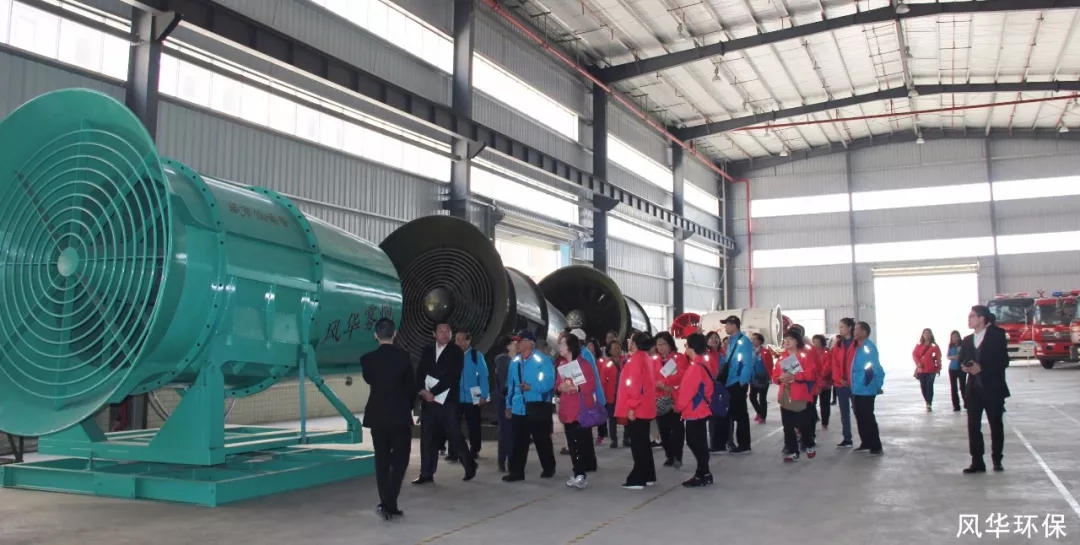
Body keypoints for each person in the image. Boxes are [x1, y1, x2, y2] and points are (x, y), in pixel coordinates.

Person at [360, 318, 416, 520]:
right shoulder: (404, 358)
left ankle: (387, 502)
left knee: (382, 460)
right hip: (399, 415)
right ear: (395, 334)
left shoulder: (367, 360)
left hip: (377, 415)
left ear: (375, 335)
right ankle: (389, 503)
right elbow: (411, 387)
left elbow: (370, 380)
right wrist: (408, 406)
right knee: (401, 460)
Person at [413, 323, 478, 485]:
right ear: (434, 334)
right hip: (428, 401)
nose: (445, 334)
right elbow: (420, 372)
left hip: (447, 401)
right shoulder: (428, 350)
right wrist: (422, 390)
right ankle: (426, 473)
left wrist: (433, 392)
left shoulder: (456, 352)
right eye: (441, 331)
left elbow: (452, 377)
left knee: (454, 435)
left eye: (447, 331)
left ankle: (469, 465)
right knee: (427, 438)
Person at [959, 305, 1010, 473]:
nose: (969, 319)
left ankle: (997, 459)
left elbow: (1003, 361)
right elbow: (963, 359)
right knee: (973, 426)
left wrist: (982, 368)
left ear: (981, 318)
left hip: (993, 388)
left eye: (972, 316)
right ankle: (977, 461)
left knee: (995, 424)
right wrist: (965, 366)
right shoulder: (967, 340)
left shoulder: (996, 336)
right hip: (973, 389)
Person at [503, 330, 557, 482]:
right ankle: (516, 472)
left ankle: (549, 467)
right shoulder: (515, 362)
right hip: (518, 407)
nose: (516, 344)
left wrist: (531, 387)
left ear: (529, 343)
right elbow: (511, 385)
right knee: (518, 441)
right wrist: (508, 405)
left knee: (542, 439)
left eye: (519, 341)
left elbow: (549, 382)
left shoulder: (543, 360)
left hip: (538, 405)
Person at [555, 333, 600, 489]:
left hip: (580, 410)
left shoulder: (583, 364)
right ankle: (578, 473)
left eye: (562, 344)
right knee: (572, 444)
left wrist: (577, 388)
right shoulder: (562, 365)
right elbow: (557, 385)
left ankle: (580, 474)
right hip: (567, 409)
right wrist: (560, 388)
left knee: (579, 443)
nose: (559, 347)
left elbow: (591, 385)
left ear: (570, 347)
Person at [615, 331, 659, 490]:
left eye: (631, 340)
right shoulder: (645, 358)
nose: (628, 342)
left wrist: (632, 406)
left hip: (638, 408)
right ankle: (648, 475)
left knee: (638, 445)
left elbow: (634, 385)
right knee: (644, 443)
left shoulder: (636, 360)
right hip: (645, 407)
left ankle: (638, 478)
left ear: (635, 343)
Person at [774, 328, 818, 462]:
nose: (787, 341)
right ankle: (793, 451)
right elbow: (774, 375)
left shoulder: (804, 356)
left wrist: (795, 377)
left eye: (791, 339)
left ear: (797, 341)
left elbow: (811, 374)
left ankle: (809, 444)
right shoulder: (782, 357)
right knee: (787, 426)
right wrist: (779, 378)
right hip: (785, 394)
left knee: (803, 424)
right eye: (785, 339)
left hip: (800, 394)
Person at [677, 332, 714, 486]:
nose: (685, 347)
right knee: (699, 442)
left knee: (694, 441)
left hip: (695, 409)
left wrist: (678, 407)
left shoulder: (695, 367)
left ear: (692, 347)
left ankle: (703, 473)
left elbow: (687, 391)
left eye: (686, 344)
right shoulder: (702, 363)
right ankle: (703, 473)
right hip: (700, 408)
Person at [719, 315, 755, 454]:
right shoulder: (731, 341)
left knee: (741, 415)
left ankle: (744, 444)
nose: (725, 327)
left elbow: (747, 363)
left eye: (727, 325)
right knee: (734, 414)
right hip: (730, 382)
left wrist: (742, 382)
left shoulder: (743, 341)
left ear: (734, 326)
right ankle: (734, 442)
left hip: (737, 383)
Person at [653, 332, 689, 468]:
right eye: (658, 345)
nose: (661, 347)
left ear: (670, 344)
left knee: (677, 429)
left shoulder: (679, 358)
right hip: (659, 399)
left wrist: (665, 382)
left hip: (675, 399)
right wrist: (658, 385)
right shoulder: (654, 360)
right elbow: (651, 378)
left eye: (664, 344)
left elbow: (682, 375)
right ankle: (669, 455)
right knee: (663, 430)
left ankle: (678, 456)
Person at [851, 321, 885, 455]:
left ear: (864, 332)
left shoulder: (868, 348)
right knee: (860, 417)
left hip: (865, 388)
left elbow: (874, 367)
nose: (854, 332)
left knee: (867, 417)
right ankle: (866, 442)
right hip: (857, 388)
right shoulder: (858, 347)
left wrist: (876, 384)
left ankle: (876, 446)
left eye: (856, 329)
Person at [454, 331, 489, 459]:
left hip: (473, 396)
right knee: (453, 425)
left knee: (473, 425)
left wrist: (484, 395)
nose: (458, 342)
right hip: (456, 396)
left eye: (461, 339)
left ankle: (474, 449)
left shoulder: (476, 355)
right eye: (456, 339)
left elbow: (483, 376)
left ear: (468, 341)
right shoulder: (452, 355)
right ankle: (454, 451)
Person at [830, 318, 858, 448]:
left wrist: (851, 380)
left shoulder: (857, 344)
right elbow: (834, 364)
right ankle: (847, 439)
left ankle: (866, 439)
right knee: (844, 414)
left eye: (842, 327)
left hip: (855, 385)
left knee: (858, 412)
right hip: (841, 385)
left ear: (850, 328)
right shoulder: (838, 345)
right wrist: (839, 379)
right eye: (839, 327)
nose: (840, 329)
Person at [492, 335, 517, 473]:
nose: (517, 344)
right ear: (508, 346)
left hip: (512, 399)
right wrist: (508, 403)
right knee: (506, 431)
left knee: (511, 431)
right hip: (505, 400)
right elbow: (503, 384)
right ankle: (502, 460)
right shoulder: (503, 360)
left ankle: (509, 459)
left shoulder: (514, 360)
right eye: (514, 342)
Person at [600, 340, 623, 448]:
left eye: (618, 347)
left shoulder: (625, 361)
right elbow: (603, 381)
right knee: (612, 419)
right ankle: (614, 439)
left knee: (626, 417)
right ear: (609, 351)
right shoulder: (606, 364)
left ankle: (627, 438)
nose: (617, 350)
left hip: (624, 395)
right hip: (611, 396)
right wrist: (603, 397)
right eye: (614, 348)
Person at [912, 328, 942, 412]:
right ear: (922, 335)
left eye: (928, 333)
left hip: (931, 370)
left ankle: (929, 403)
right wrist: (918, 363)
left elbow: (938, 358)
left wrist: (938, 368)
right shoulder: (919, 345)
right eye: (925, 333)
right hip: (921, 370)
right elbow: (914, 354)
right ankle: (927, 401)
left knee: (929, 387)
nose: (927, 335)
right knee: (923, 387)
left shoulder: (934, 346)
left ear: (931, 335)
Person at [749, 332, 773, 423]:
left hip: (763, 378)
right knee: (752, 397)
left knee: (762, 398)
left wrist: (770, 377)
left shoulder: (765, 352)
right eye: (752, 339)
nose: (752, 341)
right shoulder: (749, 351)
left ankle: (763, 416)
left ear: (760, 341)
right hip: (753, 378)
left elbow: (770, 365)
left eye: (755, 339)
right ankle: (759, 412)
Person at [810, 334, 832, 429]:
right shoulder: (811, 353)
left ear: (822, 343)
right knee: (811, 403)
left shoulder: (827, 352)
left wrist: (820, 375)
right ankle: (814, 418)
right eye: (813, 342)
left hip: (825, 382)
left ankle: (825, 422)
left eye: (817, 342)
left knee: (825, 403)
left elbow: (828, 366)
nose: (815, 344)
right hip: (814, 382)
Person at [946, 330, 967, 412]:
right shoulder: (951, 346)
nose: (954, 338)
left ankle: (967, 403)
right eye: (953, 337)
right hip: (952, 368)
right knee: (953, 387)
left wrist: (960, 357)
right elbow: (948, 356)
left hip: (961, 368)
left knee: (963, 386)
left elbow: (965, 355)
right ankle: (956, 405)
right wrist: (953, 357)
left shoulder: (963, 344)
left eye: (956, 336)